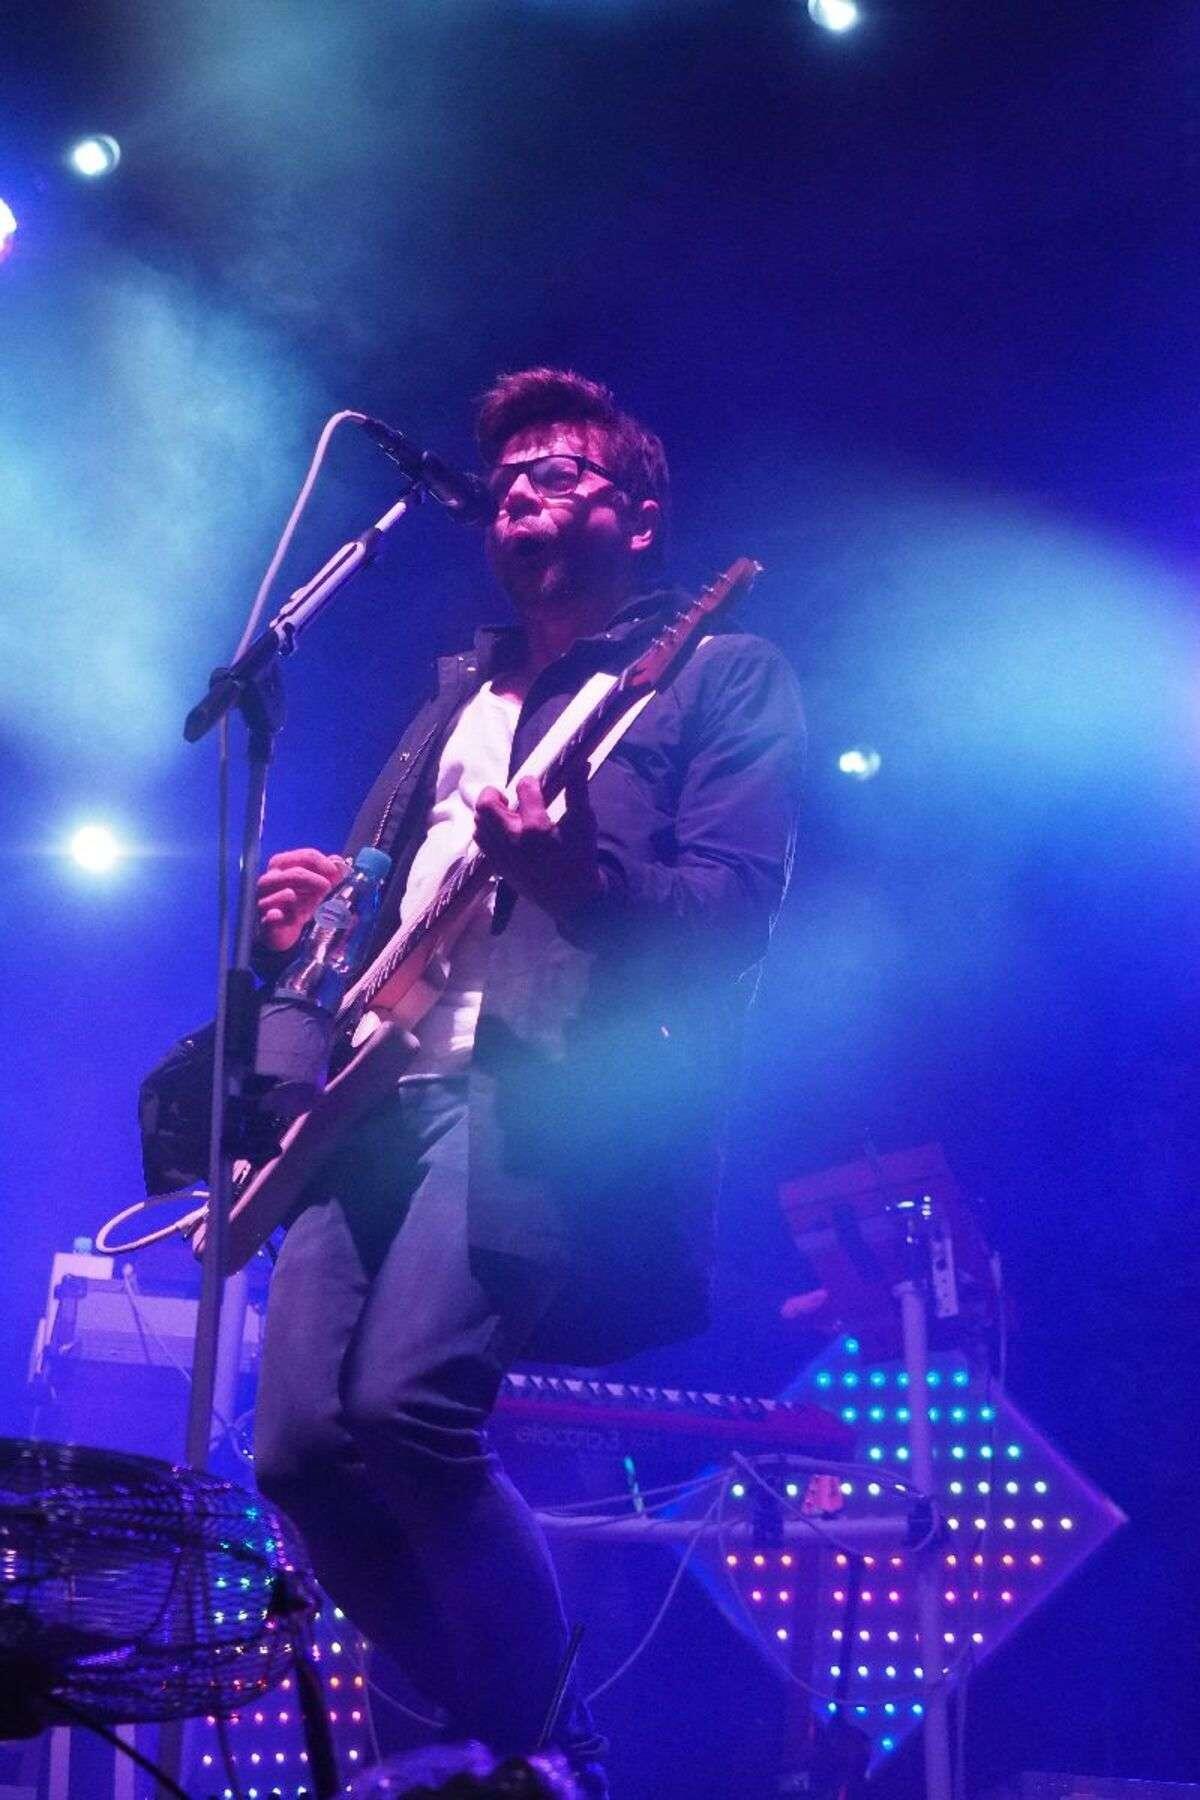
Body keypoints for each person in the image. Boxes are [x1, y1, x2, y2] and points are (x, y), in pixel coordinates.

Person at [250, 368, 804, 1792]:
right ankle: (499, 1740)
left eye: (557, 475)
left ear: (640, 517)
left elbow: (734, 914)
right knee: (298, 1451)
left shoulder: (719, 671)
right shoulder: (454, 697)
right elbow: (378, 901)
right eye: (504, 485)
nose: (517, 498)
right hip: (368, 1094)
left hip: (533, 1088)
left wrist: (578, 877)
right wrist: (312, 934)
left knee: (408, 1410)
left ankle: (543, 1748)